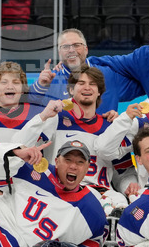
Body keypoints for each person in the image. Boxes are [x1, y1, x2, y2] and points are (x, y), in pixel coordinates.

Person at [23, 67, 132, 210]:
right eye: (81, 83)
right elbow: (21, 146)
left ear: (99, 91)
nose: (87, 87)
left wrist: (129, 188)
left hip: (102, 197)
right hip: (59, 193)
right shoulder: (55, 119)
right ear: (71, 90)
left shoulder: (111, 127)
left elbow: (124, 172)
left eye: (92, 84)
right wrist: (43, 116)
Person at [30, 28, 138, 113]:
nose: (71, 50)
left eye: (77, 45)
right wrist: (39, 86)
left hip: (104, 138)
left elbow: (145, 82)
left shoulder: (109, 75)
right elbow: (25, 107)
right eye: (66, 47)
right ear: (59, 53)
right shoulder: (49, 81)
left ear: (86, 49)